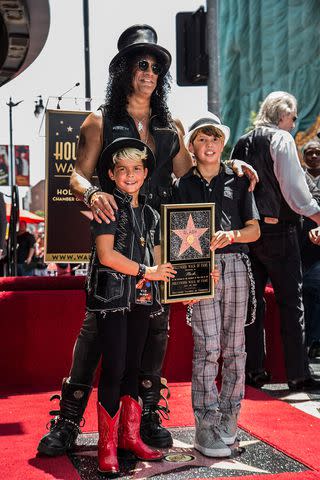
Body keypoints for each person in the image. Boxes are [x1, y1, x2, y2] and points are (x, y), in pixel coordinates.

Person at [37, 24, 258, 457]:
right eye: (141, 63)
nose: (149, 72)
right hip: (114, 237)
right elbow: (76, 174)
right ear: (123, 69)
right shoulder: (100, 119)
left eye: (156, 66)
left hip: (158, 240)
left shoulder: (170, 123)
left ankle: (148, 413)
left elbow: (192, 168)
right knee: (97, 328)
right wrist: (94, 192)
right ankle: (67, 420)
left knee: (155, 327)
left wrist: (231, 162)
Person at [87, 137, 177, 473]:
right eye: (122, 169)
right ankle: (106, 445)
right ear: (111, 173)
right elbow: (106, 255)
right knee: (113, 368)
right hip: (111, 298)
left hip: (141, 299)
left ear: (145, 173)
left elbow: (157, 260)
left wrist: (190, 275)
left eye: (136, 169)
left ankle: (129, 436)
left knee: (134, 369)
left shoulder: (151, 213)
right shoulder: (106, 205)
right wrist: (147, 271)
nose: (129, 175)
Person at [173, 115, 260, 457]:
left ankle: (229, 416)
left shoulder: (238, 181)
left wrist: (232, 235)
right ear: (192, 146)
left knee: (236, 348)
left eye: (215, 139)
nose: (209, 145)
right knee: (207, 347)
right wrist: (185, 280)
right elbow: (175, 236)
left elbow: (254, 231)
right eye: (202, 139)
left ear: (222, 144)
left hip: (237, 264)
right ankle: (204, 424)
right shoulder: (182, 185)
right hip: (200, 269)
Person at [232, 91, 320, 391]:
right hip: (280, 231)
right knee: (291, 303)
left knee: (252, 305)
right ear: (283, 115)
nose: (294, 124)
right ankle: (297, 373)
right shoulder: (281, 140)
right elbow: (295, 191)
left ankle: (254, 370)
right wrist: (317, 217)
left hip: (250, 232)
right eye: (293, 118)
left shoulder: (242, 141)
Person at [300, 141, 320, 358]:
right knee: (305, 292)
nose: (314, 155)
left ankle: (314, 340)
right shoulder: (297, 178)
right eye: (309, 152)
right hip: (300, 243)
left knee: (315, 288)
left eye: (317, 152)